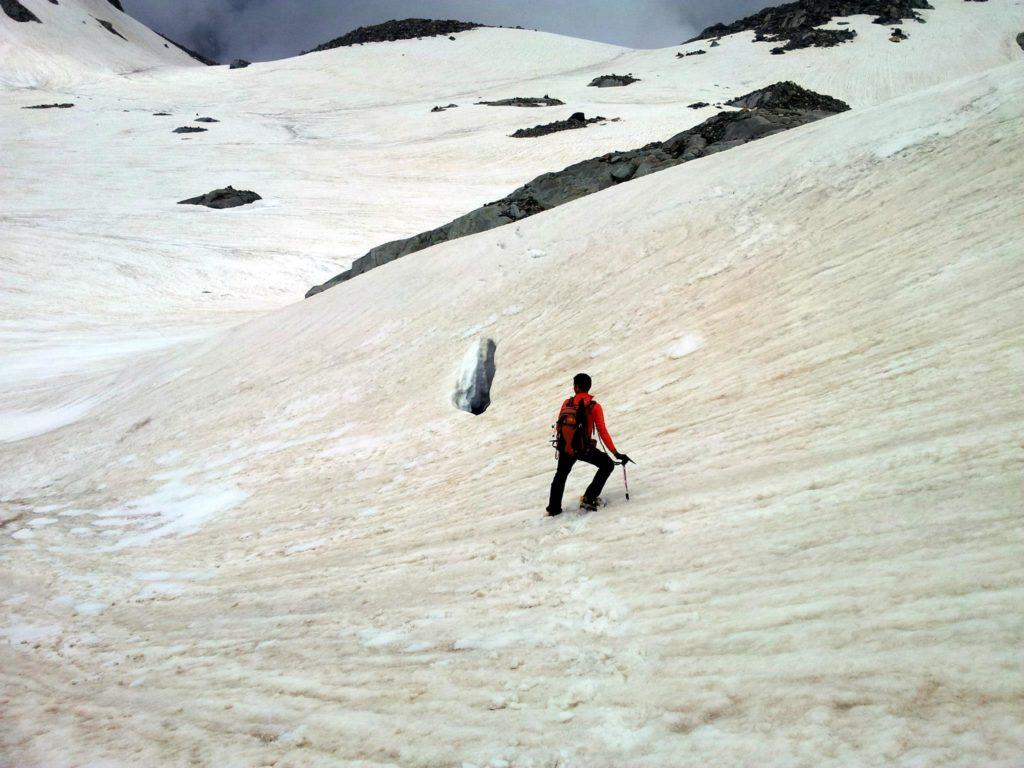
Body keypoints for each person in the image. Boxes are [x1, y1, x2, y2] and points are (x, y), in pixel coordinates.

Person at [547, 373, 631, 516]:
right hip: (582, 447)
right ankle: (589, 498)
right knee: (607, 464)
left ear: (576, 387)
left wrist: (566, 445)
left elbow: (560, 426)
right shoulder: (594, 406)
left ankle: (554, 509)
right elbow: (602, 431)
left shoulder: (567, 403)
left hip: (565, 446)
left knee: (560, 475)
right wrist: (615, 453)